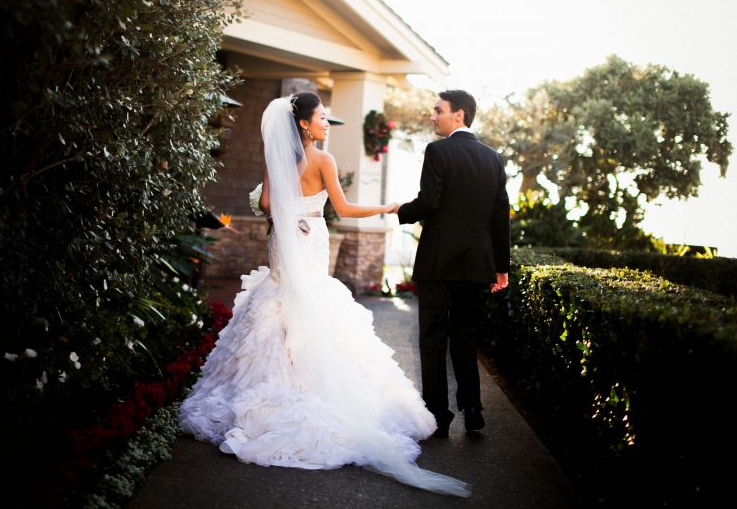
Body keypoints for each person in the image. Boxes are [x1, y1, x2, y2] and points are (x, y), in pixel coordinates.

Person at [179, 93, 471, 497]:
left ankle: (277, 378)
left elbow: (265, 203)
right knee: (311, 303)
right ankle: (307, 381)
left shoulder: (275, 158)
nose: (326, 123)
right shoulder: (324, 161)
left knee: (277, 302)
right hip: (309, 237)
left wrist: (283, 209)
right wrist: (387, 207)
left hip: (284, 240)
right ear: (304, 124)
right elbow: (345, 209)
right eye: (321, 118)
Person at [396, 89, 510, 436]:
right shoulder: (493, 158)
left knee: (432, 338)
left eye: (438, 110)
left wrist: (402, 211)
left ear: (459, 114)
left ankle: (437, 414)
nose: (433, 116)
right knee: (465, 337)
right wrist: (501, 267)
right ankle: (473, 410)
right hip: (476, 264)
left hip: (438, 262)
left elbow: (429, 202)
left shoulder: (438, 151)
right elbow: (500, 216)